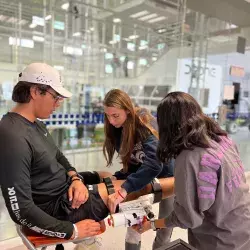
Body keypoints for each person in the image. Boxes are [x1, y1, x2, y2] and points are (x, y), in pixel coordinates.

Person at [0, 63, 174, 247]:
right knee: (135, 188)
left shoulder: (34, 124)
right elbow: (20, 210)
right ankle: (184, 183)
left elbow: (59, 157)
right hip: (59, 207)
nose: (58, 103)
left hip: (65, 189)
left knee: (106, 176)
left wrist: (75, 179)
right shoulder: (11, 135)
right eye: (55, 96)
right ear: (35, 91)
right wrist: (71, 230)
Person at [134, 91, 250, 250]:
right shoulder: (222, 139)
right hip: (243, 227)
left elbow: (188, 218)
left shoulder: (190, 157)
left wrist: (153, 224)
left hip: (219, 241)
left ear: (168, 125)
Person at [102, 89, 175, 250]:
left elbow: (155, 164)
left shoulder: (143, 123)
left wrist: (124, 189)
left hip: (169, 178)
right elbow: (135, 161)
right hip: (146, 178)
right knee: (134, 225)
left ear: (127, 110)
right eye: (108, 115)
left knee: (164, 228)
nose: (111, 121)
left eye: (115, 116)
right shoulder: (118, 128)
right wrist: (119, 176)